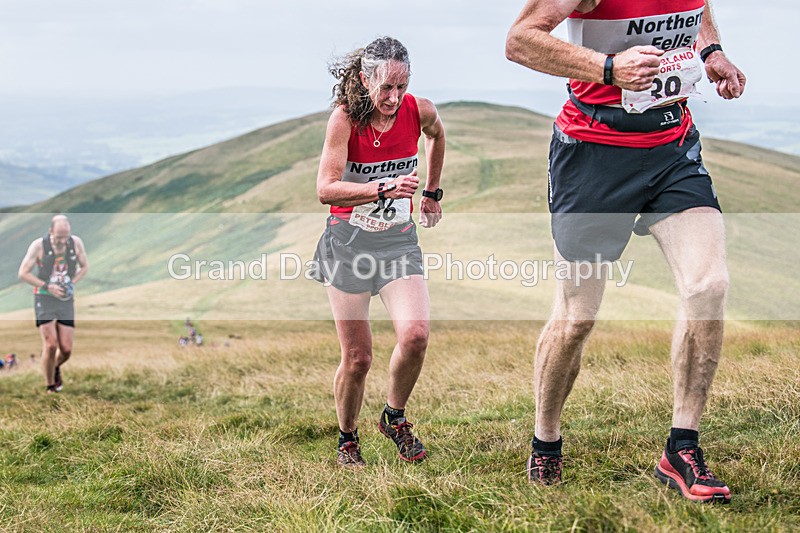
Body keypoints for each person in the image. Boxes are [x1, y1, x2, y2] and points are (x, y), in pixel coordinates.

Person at [506, 0, 745, 502]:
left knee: (708, 286)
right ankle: (546, 439)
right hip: (592, 154)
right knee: (577, 318)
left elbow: (697, 10)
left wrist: (713, 53)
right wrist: (609, 68)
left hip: (671, 149)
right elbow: (520, 40)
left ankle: (681, 447)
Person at [313, 36, 446, 466]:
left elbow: (437, 134)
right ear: (365, 79)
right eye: (386, 87)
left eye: (402, 86)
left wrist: (432, 191)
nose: (394, 97)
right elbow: (325, 189)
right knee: (358, 358)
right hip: (347, 242)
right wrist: (382, 187)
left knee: (416, 335)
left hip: (397, 240)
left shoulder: (418, 110)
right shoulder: (345, 119)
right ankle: (347, 438)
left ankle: (394, 417)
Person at [18, 215, 89, 393]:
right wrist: (48, 287)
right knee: (50, 345)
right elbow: (23, 273)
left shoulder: (76, 243)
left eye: (66, 236)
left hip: (65, 299)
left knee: (66, 349)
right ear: (51, 231)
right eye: (59, 237)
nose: (62, 241)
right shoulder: (38, 246)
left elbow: (85, 266)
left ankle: (54, 366)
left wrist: (72, 283)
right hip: (44, 297)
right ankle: (50, 387)